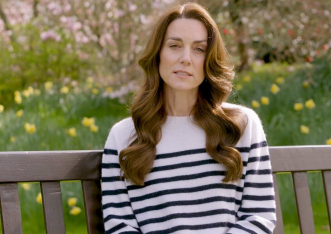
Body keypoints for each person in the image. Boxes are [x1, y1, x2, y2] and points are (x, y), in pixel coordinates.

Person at [101, 2, 276, 234]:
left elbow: (259, 215)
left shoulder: (241, 126)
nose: (185, 58)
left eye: (199, 49)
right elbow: (119, 224)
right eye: (174, 45)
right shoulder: (124, 136)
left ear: (209, 60)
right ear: (158, 54)